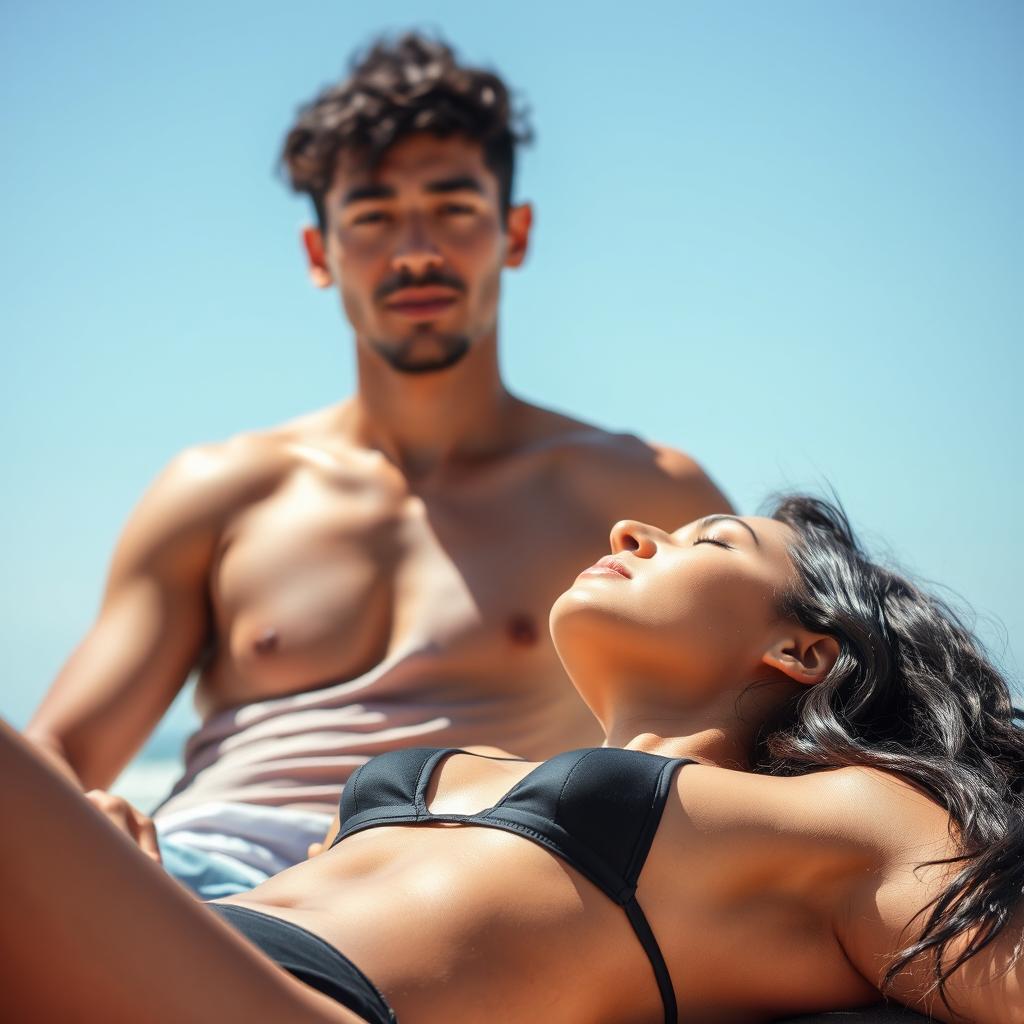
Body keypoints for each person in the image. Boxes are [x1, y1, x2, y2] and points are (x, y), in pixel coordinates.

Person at [23, 34, 729, 897]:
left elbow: (759, 729)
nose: (415, 252)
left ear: (515, 232)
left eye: (454, 207)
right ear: (320, 254)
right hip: (200, 881)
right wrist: (94, 828)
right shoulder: (220, 493)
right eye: (372, 216)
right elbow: (55, 755)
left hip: (457, 892)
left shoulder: (636, 493)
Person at [4, 497, 1021, 1023]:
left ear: (801, 650)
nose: (632, 528)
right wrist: (125, 901)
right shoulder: (467, 768)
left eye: (707, 542)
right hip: (208, 959)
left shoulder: (848, 814)